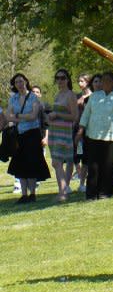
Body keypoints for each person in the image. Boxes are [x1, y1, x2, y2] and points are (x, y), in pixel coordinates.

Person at [75, 71, 113, 200]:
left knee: (109, 166)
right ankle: (92, 193)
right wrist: (80, 131)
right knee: (93, 166)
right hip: (93, 136)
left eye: (108, 81)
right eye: (103, 80)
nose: (105, 83)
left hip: (112, 137)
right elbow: (86, 115)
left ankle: (105, 192)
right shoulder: (94, 97)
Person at [6, 73, 50, 203]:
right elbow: (8, 116)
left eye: (21, 81)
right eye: (16, 82)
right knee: (20, 164)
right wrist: (22, 116)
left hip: (32, 134)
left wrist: (17, 116)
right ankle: (23, 194)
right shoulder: (13, 99)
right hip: (19, 134)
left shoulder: (33, 97)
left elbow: (33, 116)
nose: (19, 84)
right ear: (14, 85)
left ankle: (32, 194)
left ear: (26, 82)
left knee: (32, 163)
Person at [47, 69, 79, 202]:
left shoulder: (70, 95)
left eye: (63, 78)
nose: (60, 80)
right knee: (56, 163)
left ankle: (63, 192)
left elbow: (74, 116)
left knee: (58, 162)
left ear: (68, 79)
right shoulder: (58, 95)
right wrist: (49, 117)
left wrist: (57, 114)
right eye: (57, 78)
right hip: (54, 131)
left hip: (64, 132)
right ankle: (63, 190)